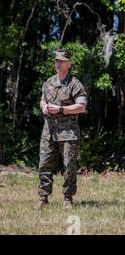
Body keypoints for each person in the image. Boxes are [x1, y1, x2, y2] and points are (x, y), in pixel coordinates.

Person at [38, 48, 87, 209]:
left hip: (69, 133)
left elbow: (81, 106)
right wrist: (44, 107)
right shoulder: (49, 82)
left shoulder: (75, 84)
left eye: (61, 61)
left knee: (69, 167)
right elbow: (42, 100)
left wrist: (60, 109)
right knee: (44, 164)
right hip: (49, 132)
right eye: (56, 60)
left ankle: (67, 198)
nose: (57, 63)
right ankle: (43, 198)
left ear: (69, 64)